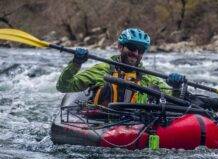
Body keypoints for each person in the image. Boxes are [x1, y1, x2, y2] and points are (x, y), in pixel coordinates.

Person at [56, 28, 185, 106]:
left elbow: (174, 98)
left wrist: (176, 87)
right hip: (101, 122)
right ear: (120, 47)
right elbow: (63, 86)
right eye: (132, 47)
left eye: (140, 50)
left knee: (154, 90)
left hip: (135, 123)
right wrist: (76, 63)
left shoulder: (147, 77)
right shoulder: (102, 69)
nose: (135, 53)